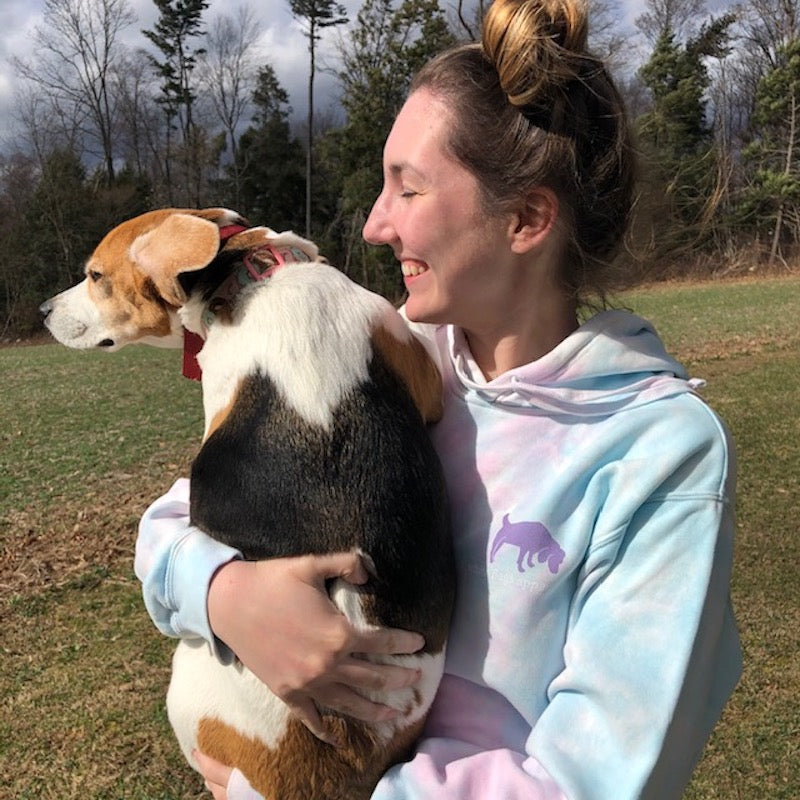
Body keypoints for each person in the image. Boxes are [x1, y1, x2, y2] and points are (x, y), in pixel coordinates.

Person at [135, 0, 742, 797]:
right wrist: (228, 597)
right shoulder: (386, 368)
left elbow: (596, 777)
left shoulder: (659, 455)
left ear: (526, 218)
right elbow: (172, 525)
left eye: (408, 190)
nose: (376, 226)